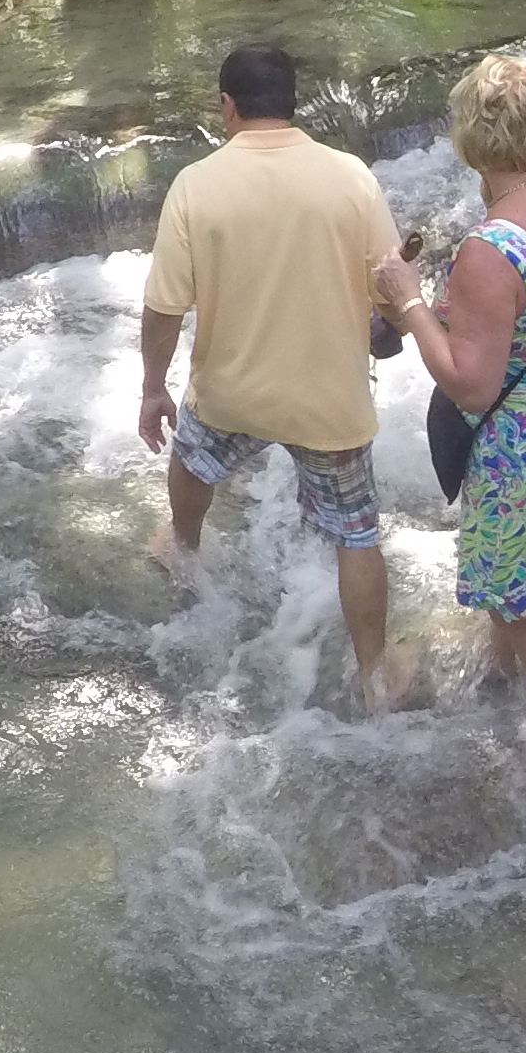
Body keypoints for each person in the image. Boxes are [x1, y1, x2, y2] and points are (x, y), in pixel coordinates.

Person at [135, 42, 406, 698]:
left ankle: (186, 549)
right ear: (293, 104)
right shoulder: (351, 178)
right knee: (357, 533)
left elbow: (164, 306)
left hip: (232, 393)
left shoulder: (196, 184)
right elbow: (392, 289)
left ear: (226, 107)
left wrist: (152, 388)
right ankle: (374, 673)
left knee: (193, 458)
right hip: (328, 401)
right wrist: (390, 330)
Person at [370, 53, 526, 759]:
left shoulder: (490, 249)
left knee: (522, 605)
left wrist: (409, 299)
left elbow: (470, 385)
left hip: (524, 452)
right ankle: (500, 673)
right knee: (520, 581)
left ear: (473, 139)